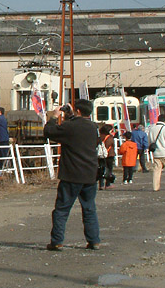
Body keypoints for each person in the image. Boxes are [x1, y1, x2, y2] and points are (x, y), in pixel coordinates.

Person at [43, 99, 101, 251]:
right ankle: (94, 240)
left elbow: (49, 132)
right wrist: (70, 115)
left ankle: (57, 241)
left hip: (72, 174)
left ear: (79, 111)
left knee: (62, 209)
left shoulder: (70, 126)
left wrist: (54, 117)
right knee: (89, 208)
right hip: (90, 174)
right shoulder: (94, 127)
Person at [97, 125, 116, 190]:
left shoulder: (100, 137)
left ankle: (101, 184)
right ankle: (107, 184)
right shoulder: (109, 137)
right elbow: (109, 144)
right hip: (109, 155)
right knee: (109, 170)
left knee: (101, 169)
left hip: (101, 155)